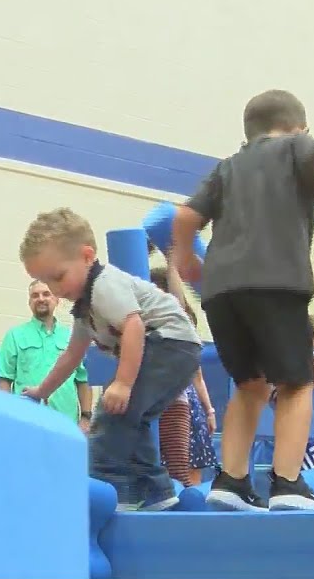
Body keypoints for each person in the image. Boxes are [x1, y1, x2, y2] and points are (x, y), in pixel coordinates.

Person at [171, 88, 314, 511]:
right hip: (275, 282)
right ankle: (288, 484)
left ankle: (231, 481)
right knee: (297, 384)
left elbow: (186, 216)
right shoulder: (294, 147)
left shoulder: (227, 168)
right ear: (298, 127)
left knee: (249, 384)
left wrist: (185, 257)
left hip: (222, 292)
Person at [19, 208, 202, 511]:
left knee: (110, 412)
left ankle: (102, 486)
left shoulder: (104, 285)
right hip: (174, 348)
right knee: (133, 418)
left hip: (170, 343)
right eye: (44, 281)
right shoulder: (84, 306)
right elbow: (72, 355)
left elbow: (134, 326)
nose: (54, 289)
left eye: (58, 277)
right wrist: (43, 391)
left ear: (87, 256)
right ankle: (157, 491)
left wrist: (123, 383)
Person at [149, 265, 219, 487]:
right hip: (157, 400)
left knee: (190, 470)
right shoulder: (144, 324)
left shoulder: (179, 323)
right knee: (164, 469)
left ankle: (190, 508)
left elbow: (196, 373)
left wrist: (209, 410)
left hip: (185, 400)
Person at [0, 280, 93, 432]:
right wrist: (6, 417)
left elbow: (84, 380)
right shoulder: (15, 336)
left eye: (46, 294)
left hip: (66, 422)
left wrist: (86, 417)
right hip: (26, 422)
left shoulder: (72, 337)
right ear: (29, 302)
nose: (41, 299)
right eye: (35, 296)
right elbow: (4, 380)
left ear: (56, 300)